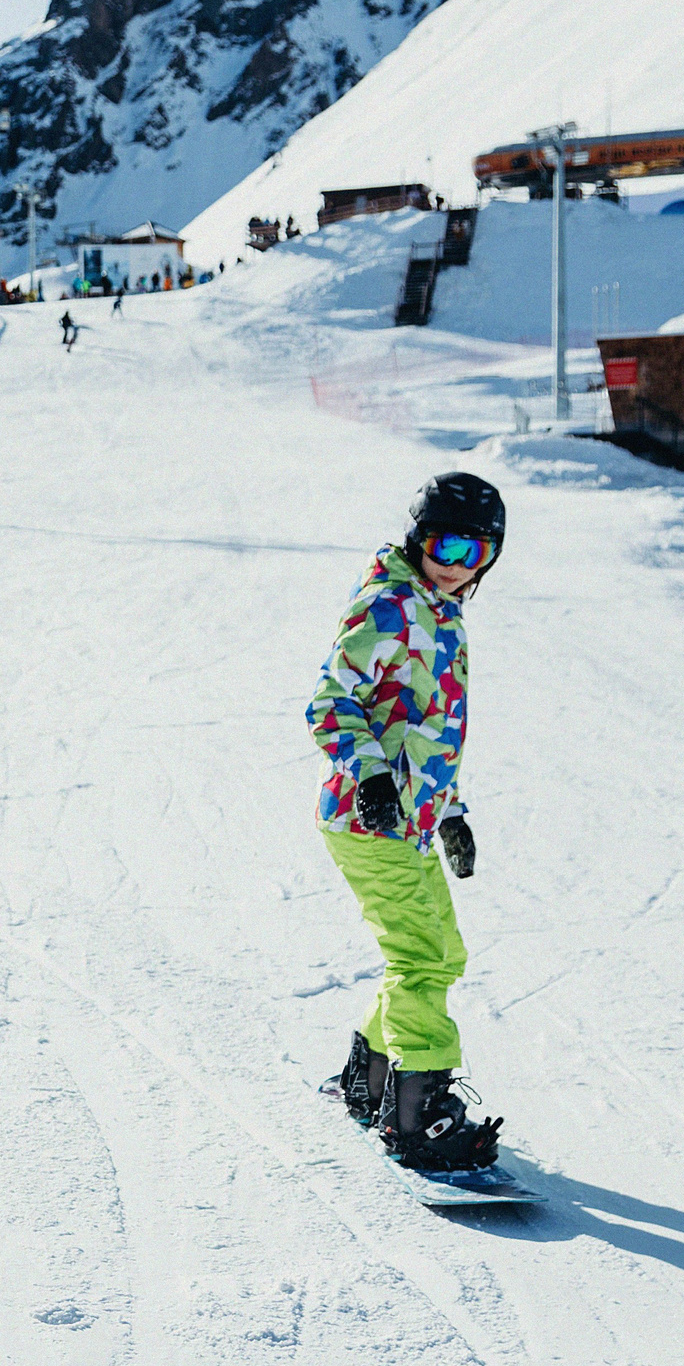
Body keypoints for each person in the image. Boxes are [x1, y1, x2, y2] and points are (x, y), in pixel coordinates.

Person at [309, 473, 509, 1172]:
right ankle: (417, 1117)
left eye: (476, 551)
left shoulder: (443, 615)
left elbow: (424, 730)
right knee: (420, 954)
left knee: (439, 952)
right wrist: (367, 775)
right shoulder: (391, 607)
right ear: (420, 537)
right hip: (366, 820)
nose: (458, 562)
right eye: (447, 544)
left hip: (412, 823)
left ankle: (370, 1082)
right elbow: (331, 699)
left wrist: (451, 812)